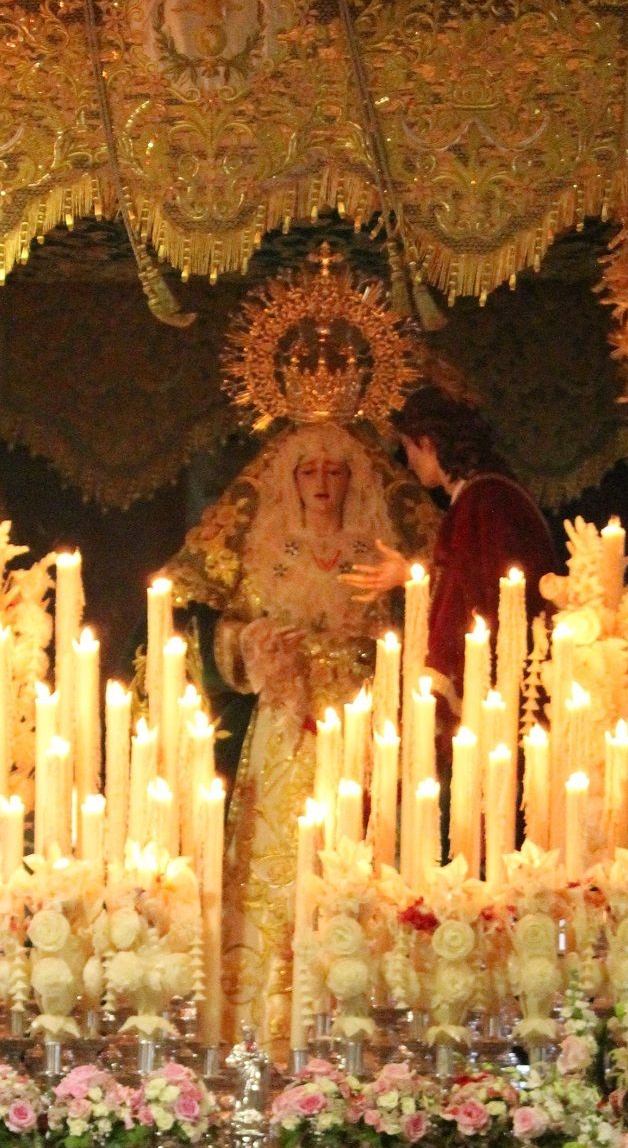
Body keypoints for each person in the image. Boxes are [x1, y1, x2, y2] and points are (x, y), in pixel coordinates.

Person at [167, 417, 433, 1043]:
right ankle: (259, 1018)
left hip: (360, 719)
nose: (321, 483)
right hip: (284, 717)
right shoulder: (264, 548)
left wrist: (398, 613)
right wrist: (252, 646)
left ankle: (354, 1016)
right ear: (289, 481)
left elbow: (421, 626)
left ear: (353, 482)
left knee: (356, 852)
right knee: (273, 857)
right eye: (309, 471)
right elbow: (212, 627)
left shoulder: (381, 555)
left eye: (335, 472)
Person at [346, 384, 556, 695]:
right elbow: (472, 580)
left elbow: (480, 595)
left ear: (427, 443)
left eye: (408, 449)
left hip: (505, 680)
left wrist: (411, 578)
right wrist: (410, 577)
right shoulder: (486, 494)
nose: (409, 462)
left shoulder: (482, 500)